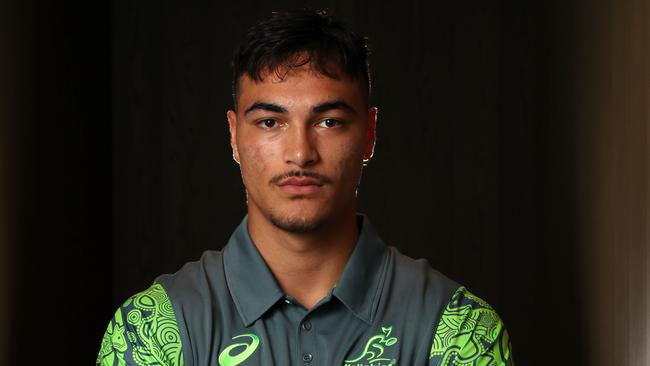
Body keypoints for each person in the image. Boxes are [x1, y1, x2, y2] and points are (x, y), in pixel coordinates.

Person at [96, 9, 514, 366]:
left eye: (329, 121)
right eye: (270, 122)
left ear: (369, 134)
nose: (300, 153)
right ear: (234, 136)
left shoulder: (457, 330)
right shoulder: (152, 329)